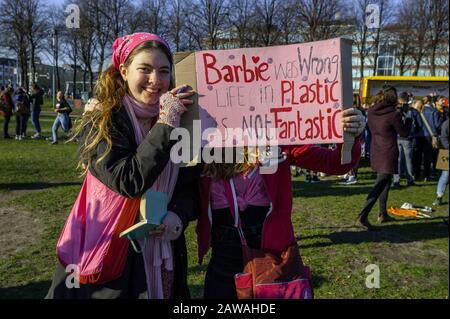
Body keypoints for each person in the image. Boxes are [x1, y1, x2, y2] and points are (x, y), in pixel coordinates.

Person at [45, 32, 198, 299]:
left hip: (163, 252)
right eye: (145, 69)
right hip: (111, 255)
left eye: (163, 71)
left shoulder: (180, 121)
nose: (156, 80)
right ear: (124, 71)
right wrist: (166, 124)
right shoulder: (101, 120)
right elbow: (129, 180)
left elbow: (191, 186)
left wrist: (178, 216)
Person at [197, 110, 366, 299]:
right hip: (223, 258)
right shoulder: (202, 139)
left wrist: (351, 134)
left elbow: (336, 163)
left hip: (273, 254)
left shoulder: (280, 138)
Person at [357, 86, 412, 231]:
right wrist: (408, 119)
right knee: (380, 184)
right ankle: (363, 215)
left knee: (385, 183)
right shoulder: (393, 115)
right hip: (388, 152)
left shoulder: (372, 112)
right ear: (393, 99)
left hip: (376, 150)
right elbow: (404, 133)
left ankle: (383, 213)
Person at [392, 92, 419, 187]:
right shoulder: (411, 111)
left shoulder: (395, 109)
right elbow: (418, 124)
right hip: (407, 137)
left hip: (397, 136)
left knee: (397, 160)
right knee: (408, 160)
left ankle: (396, 180)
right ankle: (410, 179)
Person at [414, 96, 442, 181]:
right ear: (430, 102)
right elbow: (437, 125)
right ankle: (426, 175)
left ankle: (416, 173)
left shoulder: (418, 111)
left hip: (418, 135)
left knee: (417, 156)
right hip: (429, 136)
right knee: (427, 157)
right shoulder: (434, 111)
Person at [433, 117, 449, 205]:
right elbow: (444, 138)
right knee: (445, 175)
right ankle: (439, 196)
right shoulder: (446, 124)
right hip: (447, 152)